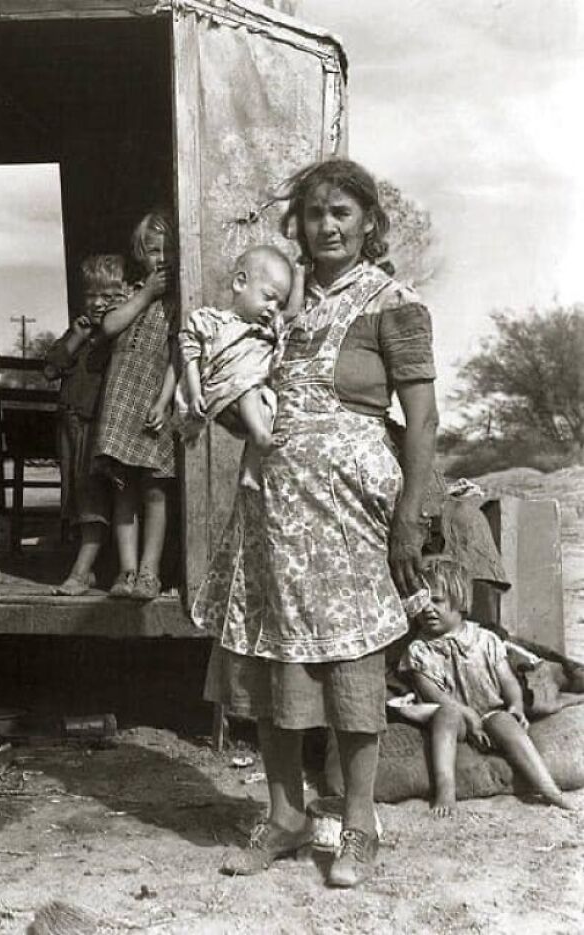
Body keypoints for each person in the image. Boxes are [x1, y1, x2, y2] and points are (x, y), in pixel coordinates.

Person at [192, 158, 439, 887]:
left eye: (342, 213)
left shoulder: (395, 304)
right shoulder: (277, 305)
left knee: (351, 664)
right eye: (314, 213)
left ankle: (359, 825)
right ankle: (285, 815)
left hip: (349, 515)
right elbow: (243, 390)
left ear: (369, 222)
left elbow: (423, 421)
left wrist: (409, 517)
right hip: (272, 509)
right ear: (296, 224)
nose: (327, 226)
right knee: (273, 657)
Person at [398, 556, 573, 816]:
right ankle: (446, 789)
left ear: (460, 602)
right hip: (454, 714)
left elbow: (508, 681)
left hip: (489, 710)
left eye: (436, 600)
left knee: (505, 721)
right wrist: (468, 715)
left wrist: (516, 705)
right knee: (446, 716)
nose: (427, 609)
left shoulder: (485, 640)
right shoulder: (419, 650)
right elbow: (433, 694)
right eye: (421, 602)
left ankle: (548, 787)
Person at [92, 211, 178, 601]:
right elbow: (110, 326)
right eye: (153, 250)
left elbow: (179, 355)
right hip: (121, 400)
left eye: (167, 250)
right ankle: (126, 571)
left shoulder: (179, 301)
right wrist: (146, 295)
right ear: (141, 253)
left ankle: (149, 572)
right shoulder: (129, 291)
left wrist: (164, 400)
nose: (161, 258)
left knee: (155, 489)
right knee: (123, 487)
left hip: (153, 401)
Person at [175, 246, 303, 490]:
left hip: (249, 398)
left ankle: (251, 470)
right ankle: (261, 438)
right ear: (240, 283)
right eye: (268, 297)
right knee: (249, 387)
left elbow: (292, 312)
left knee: (268, 405)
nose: (273, 308)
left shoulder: (267, 329)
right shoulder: (211, 320)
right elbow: (190, 355)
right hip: (224, 389)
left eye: (279, 304)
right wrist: (195, 393)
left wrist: (301, 272)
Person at [44, 254, 126, 596]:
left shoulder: (119, 334)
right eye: (92, 295)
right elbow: (50, 369)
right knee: (76, 496)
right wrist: (76, 338)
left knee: (92, 496)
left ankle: (80, 572)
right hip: (71, 425)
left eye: (109, 296)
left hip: (98, 427)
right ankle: (90, 568)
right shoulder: (78, 330)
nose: (98, 303)